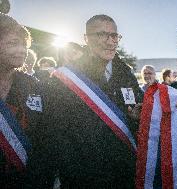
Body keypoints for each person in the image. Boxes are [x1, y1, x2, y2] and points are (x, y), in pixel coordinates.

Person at [27, 14, 143, 188]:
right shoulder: (68, 78)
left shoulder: (125, 73)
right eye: (102, 35)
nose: (110, 41)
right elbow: (54, 133)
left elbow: (137, 116)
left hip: (125, 174)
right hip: (84, 176)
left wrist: (136, 117)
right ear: (86, 39)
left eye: (114, 36)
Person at [0, 13, 45, 188]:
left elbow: (45, 137)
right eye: (12, 43)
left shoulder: (34, 86)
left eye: (23, 44)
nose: (21, 50)